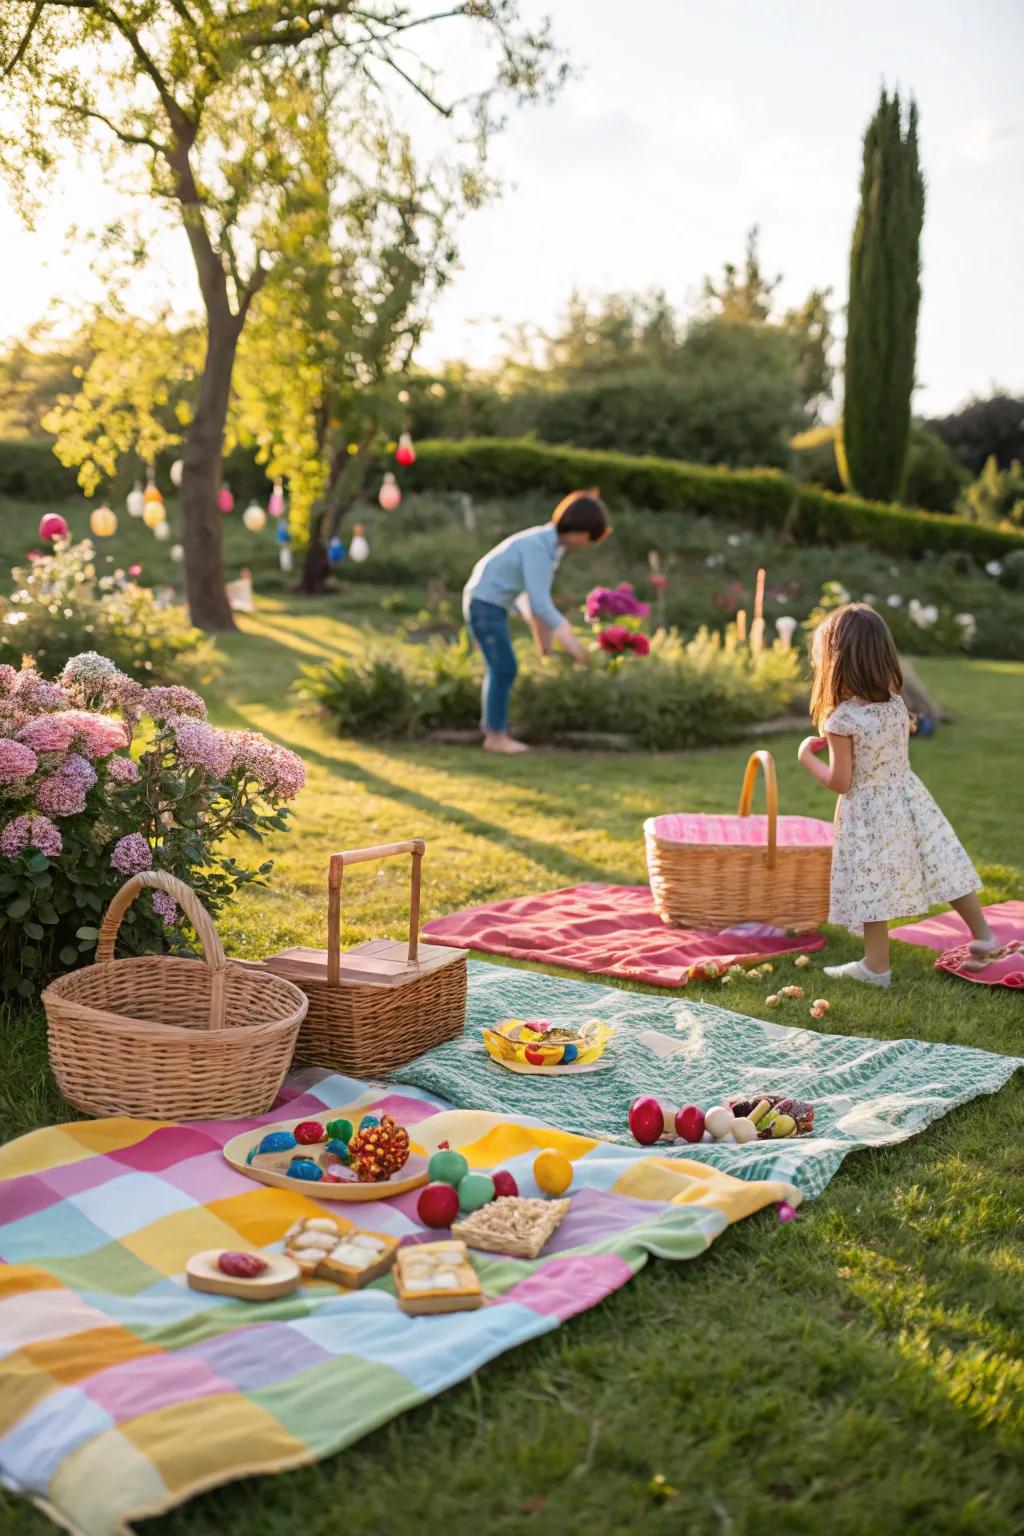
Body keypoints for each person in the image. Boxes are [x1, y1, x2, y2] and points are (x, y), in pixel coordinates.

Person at [797, 603, 999, 987]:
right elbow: (898, 738)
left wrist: (806, 756)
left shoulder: (840, 720)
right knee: (942, 861)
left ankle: (876, 966)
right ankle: (985, 936)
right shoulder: (894, 702)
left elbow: (841, 781)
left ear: (836, 660)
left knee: (872, 880)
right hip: (909, 799)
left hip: (869, 810)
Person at [463, 490, 611, 754]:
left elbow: (534, 602)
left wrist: (545, 647)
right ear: (580, 530)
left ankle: (496, 733)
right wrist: (576, 650)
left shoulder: (550, 547)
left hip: (492, 605)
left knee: (503, 668)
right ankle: (495, 737)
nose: (589, 544)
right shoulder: (538, 548)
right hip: (485, 604)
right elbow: (541, 604)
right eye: (591, 537)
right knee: (503, 668)